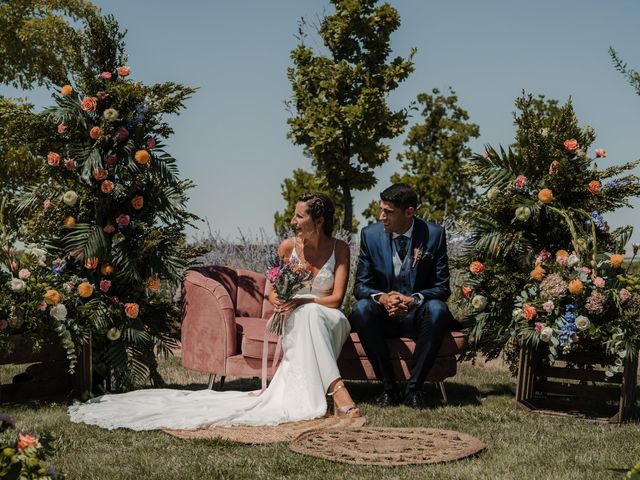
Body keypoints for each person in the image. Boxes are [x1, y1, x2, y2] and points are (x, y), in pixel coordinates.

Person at [68, 193, 359, 430]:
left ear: (318, 221)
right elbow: (272, 290)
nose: (293, 220)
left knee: (310, 315)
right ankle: (336, 389)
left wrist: (300, 302)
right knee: (303, 318)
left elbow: (335, 299)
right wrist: (283, 300)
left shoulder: (340, 248)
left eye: (300, 215)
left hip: (329, 317)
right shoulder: (287, 248)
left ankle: (333, 390)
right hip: (295, 317)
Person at [350, 183, 459, 408]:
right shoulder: (369, 236)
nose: (381, 217)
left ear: (409, 212)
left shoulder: (434, 235)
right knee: (361, 308)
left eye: (388, 212)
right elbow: (360, 286)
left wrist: (413, 300)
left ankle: (414, 390)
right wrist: (383, 298)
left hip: (417, 317)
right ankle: (389, 389)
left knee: (438, 309)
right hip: (383, 316)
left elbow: (442, 287)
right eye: (381, 210)